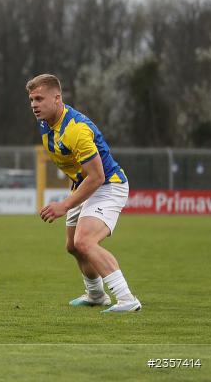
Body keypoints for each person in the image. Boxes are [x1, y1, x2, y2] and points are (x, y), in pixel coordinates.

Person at [27, 74, 141, 313]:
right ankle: (96, 295)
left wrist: (64, 205)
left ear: (57, 98)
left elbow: (98, 176)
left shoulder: (76, 130)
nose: (34, 105)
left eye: (39, 98)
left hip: (108, 185)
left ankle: (127, 299)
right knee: (73, 246)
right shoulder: (45, 123)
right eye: (31, 99)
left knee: (85, 241)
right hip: (85, 185)